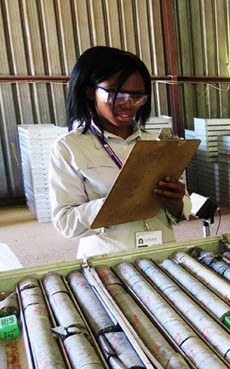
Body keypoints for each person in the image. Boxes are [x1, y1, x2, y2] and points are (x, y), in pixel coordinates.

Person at [49, 46, 191, 258]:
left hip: (163, 255)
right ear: (89, 91)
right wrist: (115, 202)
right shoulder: (69, 148)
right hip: (110, 261)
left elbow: (183, 208)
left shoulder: (159, 144)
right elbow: (66, 222)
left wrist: (177, 202)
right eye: (116, 93)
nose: (128, 104)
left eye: (137, 96)